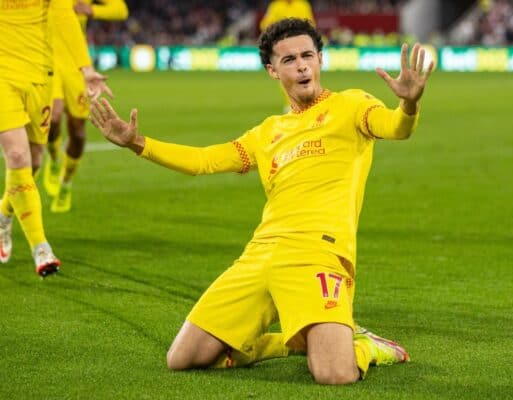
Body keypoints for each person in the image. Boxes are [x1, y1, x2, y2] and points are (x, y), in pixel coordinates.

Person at [90, 18, 433, 384]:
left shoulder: (352, 106)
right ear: (272, 70)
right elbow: (204, 161)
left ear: (319, 59)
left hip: (317, 252)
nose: (301, 65)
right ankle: (289, 344)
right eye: (289, 60)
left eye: (308, 56)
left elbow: (396, 128)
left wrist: (408, 104)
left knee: (335, 374)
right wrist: (136, 144)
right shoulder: (266, 133)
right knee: (183, 358)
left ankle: (364, 344)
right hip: (261, 254)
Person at [0, 0, 112, 276]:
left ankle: (4, 215)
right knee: (16, 155)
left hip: (40, 76)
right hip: (2, 73)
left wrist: (86, 68)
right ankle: (41, 248)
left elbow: (64, 17)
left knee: (33, 162)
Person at [44, 0, 128, 213]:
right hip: (47, 60)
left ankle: (66, 183)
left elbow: (121, 9)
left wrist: (91, 10)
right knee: (52, 118)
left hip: (76, 65)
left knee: (78, 132)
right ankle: (54, 158)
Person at [260, 0, 315, 112]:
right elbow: (265, 25)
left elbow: (311, 24)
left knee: (306, 73)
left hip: (301, 46)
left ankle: (306, 101)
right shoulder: (276, 6)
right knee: (286, 75)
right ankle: (291, 103)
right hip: (283, 48)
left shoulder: (303, 5)